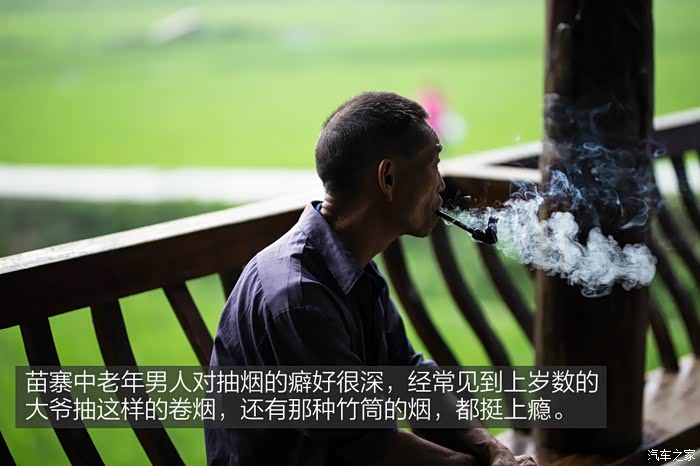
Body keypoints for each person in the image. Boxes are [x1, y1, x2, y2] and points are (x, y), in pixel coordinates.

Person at [205, 91, 536, 466]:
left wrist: (492, 450)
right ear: (388, 178)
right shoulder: (298, 298)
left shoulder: (351, 266)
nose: (441, 184)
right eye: (433, 164)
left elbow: (409, 376)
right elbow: (363, 442)